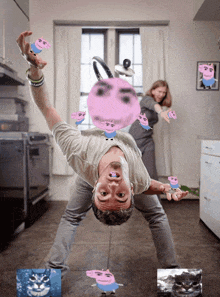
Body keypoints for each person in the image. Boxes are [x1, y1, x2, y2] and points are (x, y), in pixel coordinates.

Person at [16, 31, 188, 280]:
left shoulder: (78, 150)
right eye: (121, 194)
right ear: (131, 188)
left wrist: (34, 71)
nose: (114, 185)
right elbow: (148, 185)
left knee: (71, 216)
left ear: (96, 186)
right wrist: (165, 189)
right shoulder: (138, 180)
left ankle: (49, 276)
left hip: (90, 165)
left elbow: (47, 108)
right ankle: (174, 277)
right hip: (124, 153)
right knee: (158, 214)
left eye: (105, 193)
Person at [129, 80, 172, 181]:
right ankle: (127, 196)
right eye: (159, 91)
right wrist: (161, 112)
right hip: (135, 139)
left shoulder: (157, 104)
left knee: (150, 172)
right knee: (131, 172)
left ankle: (155, 196)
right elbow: (153, 105)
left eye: (164, 92)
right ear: (152, 91)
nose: (161, 95)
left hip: (147, 140)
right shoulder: (146, 99)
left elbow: (155, 106)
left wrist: (164, 112)